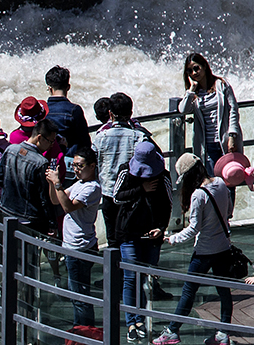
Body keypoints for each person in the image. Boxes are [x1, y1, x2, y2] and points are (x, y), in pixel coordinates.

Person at [153, 153, 241, 345]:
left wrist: (172, 238)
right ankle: (223, 333)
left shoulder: (198, 195)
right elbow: (229, 212)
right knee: (224, 291)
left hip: (204, 251)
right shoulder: (221, 183)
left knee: (188, 292)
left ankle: (172, 331)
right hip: (223, 248)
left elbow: (194, 228)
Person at [115, 140, 171, 327]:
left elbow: (168, 205)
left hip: (151, 236)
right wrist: (141, 190)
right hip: (129, 234)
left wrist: (161, 228)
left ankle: (143, 319)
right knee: (130, 278)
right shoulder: (125, 172)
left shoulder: (163, 177)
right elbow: (116, 197)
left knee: (146, 278)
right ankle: (132, 321)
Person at [48, 144, 102, 326]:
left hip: (81, 248)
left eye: (80, 166)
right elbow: (56, 200)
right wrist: (52, 183)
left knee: (80, 295)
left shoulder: (92, 188)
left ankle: (84, 331)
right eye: (74, 165)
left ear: (92, 166)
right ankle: (82, 330)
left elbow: (68, 207)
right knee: (76, 292)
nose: (76, 170)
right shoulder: (79, 184)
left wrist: (57, 183)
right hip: (72, 246)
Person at [0, 97, 62, 240]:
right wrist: (52, 223)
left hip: (6, 211)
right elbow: (44, 199)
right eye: (50, 141)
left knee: (7, 250)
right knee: (28, 253)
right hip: (30, 220)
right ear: (39, 138)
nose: (52, 145)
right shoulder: (40, 163)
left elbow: (0, 179)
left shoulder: (10, 150)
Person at [95, 92, 153, 248]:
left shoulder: (100, 137)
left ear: (110, 114)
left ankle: (113, 264)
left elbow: (94, 163)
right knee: (130, 239)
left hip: (108, 194)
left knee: (112, 240)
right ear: (131, 114)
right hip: (132, 195)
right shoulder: (139, 137)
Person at [180, 53, 243, 166]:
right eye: (190, 71)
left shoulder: (221, 85)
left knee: (230, 174)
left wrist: (232, 135)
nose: (194, 73)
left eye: (196, 68)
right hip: (207, 145)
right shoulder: (194, 94)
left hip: (225, 141)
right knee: (212, 176)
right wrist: (191, 90)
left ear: (204, 66)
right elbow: (183, 110)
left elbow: (233, 110)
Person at [43, 65, 92, 151]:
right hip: (68, 157)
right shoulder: (74, 110)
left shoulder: (42, 110)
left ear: (50, 89)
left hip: (47, 156)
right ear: (68, 87)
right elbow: (85, 141)